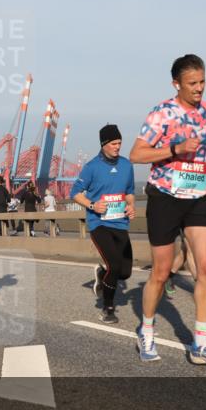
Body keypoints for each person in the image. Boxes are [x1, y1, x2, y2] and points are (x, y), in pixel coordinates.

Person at [130, 54, 206, 369]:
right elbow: (136, 154)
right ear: (177, 84)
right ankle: (146, 331)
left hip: (199, 193)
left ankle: (200, 344)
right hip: (165, 196)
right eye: (192, 83)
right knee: (160, 273)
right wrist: (173, 149)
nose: (199, 89)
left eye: (202, 82)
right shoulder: (162, 114)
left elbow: (205, 145)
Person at [70, 124, 136, 324]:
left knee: (124, 272)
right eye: (114, 143)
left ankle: (101, 273)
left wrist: (131, 207)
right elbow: (75, 193)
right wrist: (92, 204)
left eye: (120, 143)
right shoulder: (91, 167)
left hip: (120, 224)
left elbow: (130, 192)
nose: (118, 147)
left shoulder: (126, 165)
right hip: (99, 224)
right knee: (114, 265)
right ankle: (108, 308)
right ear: (104, 144)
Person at [164, 230, 197, 298]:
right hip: (187, 221)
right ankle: (199, 284)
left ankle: (167, 277)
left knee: (184, 251)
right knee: (190, 249)